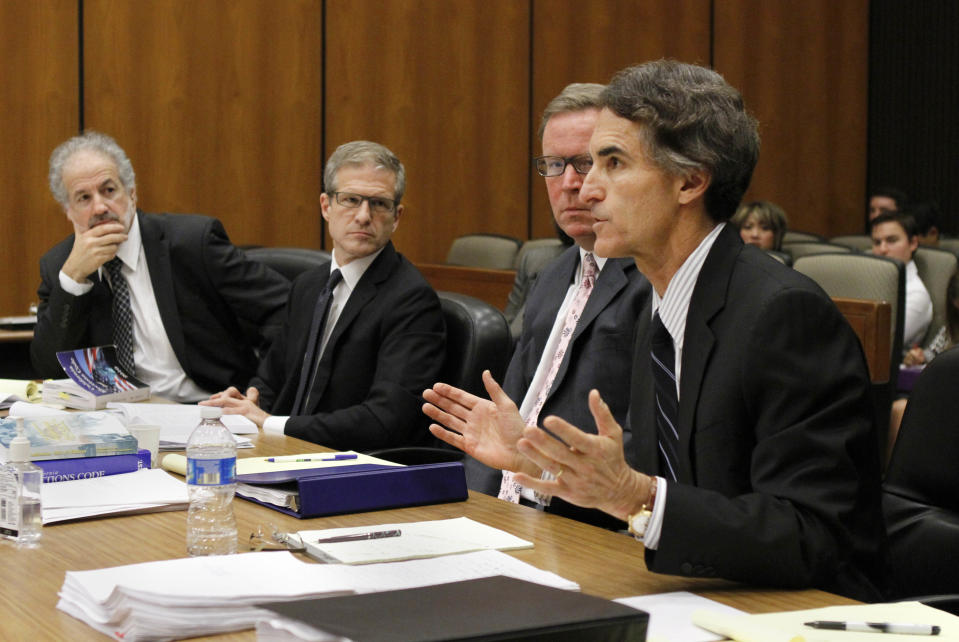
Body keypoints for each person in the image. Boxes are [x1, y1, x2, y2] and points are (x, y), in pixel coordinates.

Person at [425, 60, 884, 601]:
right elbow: (657, 497)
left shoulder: (783, 316)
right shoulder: (660, 311)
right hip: (692, 593)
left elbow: (814, 535)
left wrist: (636, 497)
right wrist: (538, 464)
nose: (586, 189)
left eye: (612, 163)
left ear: (690, 180)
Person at [431, 83, 650, 528]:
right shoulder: (550, 275)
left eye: (586, 162)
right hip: (504, 518)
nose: (570, 183)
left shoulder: (652, 281)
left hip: (583, 527)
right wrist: (470, 514)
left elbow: (648, 452)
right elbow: (506, 425)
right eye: (554, 165)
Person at [204, 141, 445, 451]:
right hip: (287, 451)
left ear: (396, 216)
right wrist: (249, 400)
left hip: (350, 466)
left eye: (379, 204)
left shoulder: (412, 300)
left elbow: (386, 420)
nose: (363, 215)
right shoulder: (308, 285)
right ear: (325, 206)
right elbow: (272, 377)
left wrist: (271, 422)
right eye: (351, 199)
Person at [32, 131, 289, 402]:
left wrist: (262, 389)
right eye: (83, 198)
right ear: (68, 211)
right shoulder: (60, 266)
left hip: (208, 411)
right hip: (116, 421)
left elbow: (287, 308)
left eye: (109, 190)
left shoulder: (192, 243)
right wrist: (73, 280)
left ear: (132, 194)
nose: (99, 207)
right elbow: (49, 369)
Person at [871, 210, 933, 348]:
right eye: (877, 242)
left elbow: (880, 345)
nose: (882, 249)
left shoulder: (916, 294)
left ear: (913, 243)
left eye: (891, 240)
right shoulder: (867, 281)